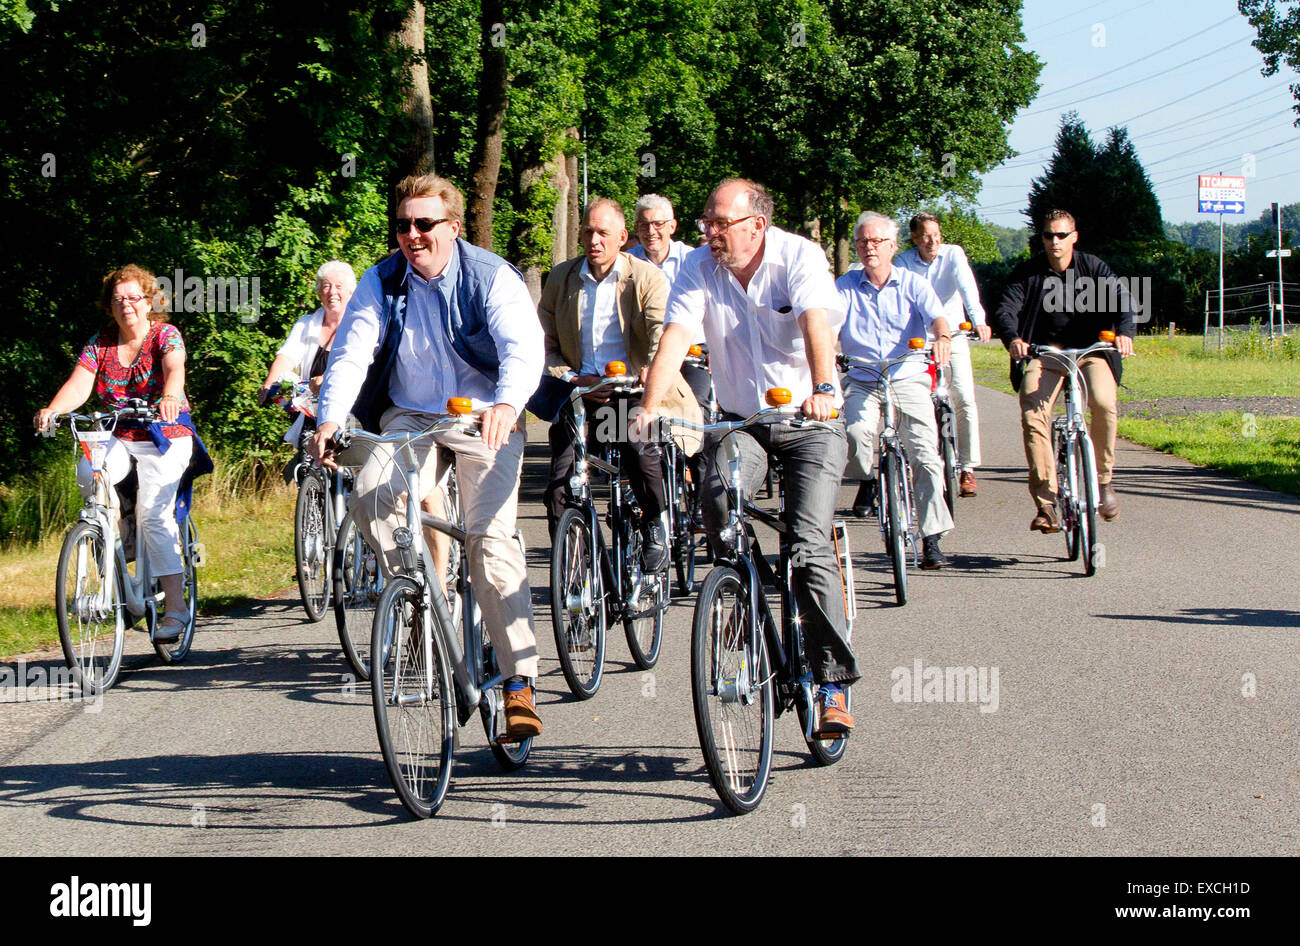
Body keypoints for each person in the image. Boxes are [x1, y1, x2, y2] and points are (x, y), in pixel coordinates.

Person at [310, 174, 545, 740]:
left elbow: (522, 346)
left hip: (483, 416)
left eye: (424, 224)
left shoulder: (490, 276)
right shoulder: (381, 281)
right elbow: (350, 354)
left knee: (489, 543)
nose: (411, 235)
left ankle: (519, 682)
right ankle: (422, 600)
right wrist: (330, 419)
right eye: (402, 225)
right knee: (370, 489)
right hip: (411, 419)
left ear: (454, 228)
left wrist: (509, 404)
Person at [637, 177, 859, 734]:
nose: (709, 233)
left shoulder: (798, 256)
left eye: (720, 224)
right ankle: (748, 595)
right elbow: (677, 334)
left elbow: (815, 322)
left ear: (755, 225)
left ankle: (830, 683)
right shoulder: (697, 269)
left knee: (807, 545)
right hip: (744, 421)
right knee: (717, 505)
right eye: (706, 223)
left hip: (811, 420)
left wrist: (825, 388)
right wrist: (647, 405)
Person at [34, 264, 205, 641]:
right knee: (89, 476)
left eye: (133, 298)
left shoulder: (165, 334)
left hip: (166, 432)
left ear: (149, 302)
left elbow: (174, 368)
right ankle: (112, 546)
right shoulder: (101, 343)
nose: (125, 305)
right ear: (109, 307)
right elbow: (79, 384)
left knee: (153, 515)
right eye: (117, 300)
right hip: (119, 434)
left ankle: (174, 608)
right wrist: (53, 410)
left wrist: (171, 396)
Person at [538, 198, 698, 569]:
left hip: (629, 393)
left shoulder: (645, 277)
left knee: (640, 448)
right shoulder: (561, 279)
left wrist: (652, 369)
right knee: (561, 486)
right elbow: (543, 345)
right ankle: (575, 571)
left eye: (603, 233)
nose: (594, 240)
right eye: (588, 232)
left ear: (622, 238)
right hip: (580, 396)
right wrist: (575, 377)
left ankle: (655, 521)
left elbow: (662, 332)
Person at [992, 208, 1136, 532]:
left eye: (1061, 235)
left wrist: (1125, 331)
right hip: (1046, 354)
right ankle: (1047, 505)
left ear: (1074, 237)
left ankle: (1103, 481)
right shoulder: (1029, 273)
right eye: (1048, 235)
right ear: (1042, 238)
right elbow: (1005, 308)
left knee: (1103, 403)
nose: (1054, 241)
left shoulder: (1092, 267)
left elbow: (1122, 298)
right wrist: (1014, 338)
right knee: (1033, 410)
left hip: (1090, 352)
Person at [838, 212, 954, 569]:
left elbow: (937, 317)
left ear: (892, 246)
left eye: (876, 242)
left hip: (907, 374)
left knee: (925, 454)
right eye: (862, 242)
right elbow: (826, 325)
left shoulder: (912, 283)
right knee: (855, 435)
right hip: (862, 376)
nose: (869, 248)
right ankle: (870, 480)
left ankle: (931, 535)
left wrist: (943, 338)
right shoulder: (843, 285)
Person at [896, 212, 990, 498]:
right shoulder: (903, 262)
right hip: (919, 340)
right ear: (914, 238)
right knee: (910, 399)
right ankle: (912, 464)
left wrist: (979, 320)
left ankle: (967, 468)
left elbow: (967, 289)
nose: (932, 241)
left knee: (963, 397)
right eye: (925, 235)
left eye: (936, 235)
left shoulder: (954, 255)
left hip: (953, 336)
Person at [629, 194, 710, 408]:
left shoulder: (693, 260)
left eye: (658, 224)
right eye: (644, 225)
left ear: (672, 226)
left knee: (695, 408)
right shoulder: (628, 262)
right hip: (645, 355)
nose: (651, 232)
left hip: (691, 352)